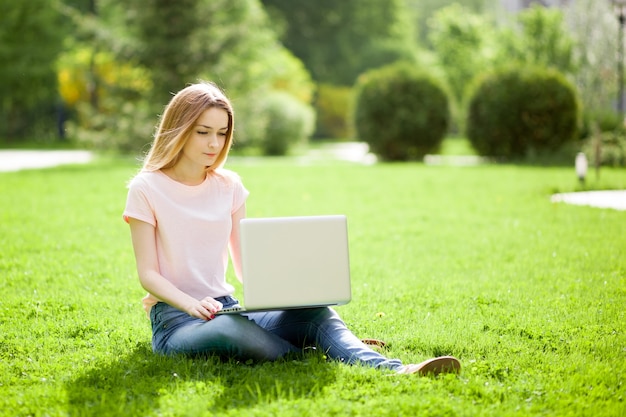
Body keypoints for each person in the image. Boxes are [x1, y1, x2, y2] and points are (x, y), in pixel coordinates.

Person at [123, 82, 461, 376]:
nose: (214, 143)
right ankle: (326, 351)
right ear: (180, 128)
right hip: (176, 322)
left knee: (316, 313)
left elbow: (246, 268)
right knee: (231, 329)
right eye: (203, 132)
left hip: (226, 306)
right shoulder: (146, 188)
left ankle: (396, 369)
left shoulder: (229, 186)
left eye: (222, 133)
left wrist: (294, 286)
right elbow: (148, 274)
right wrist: (188, 304)